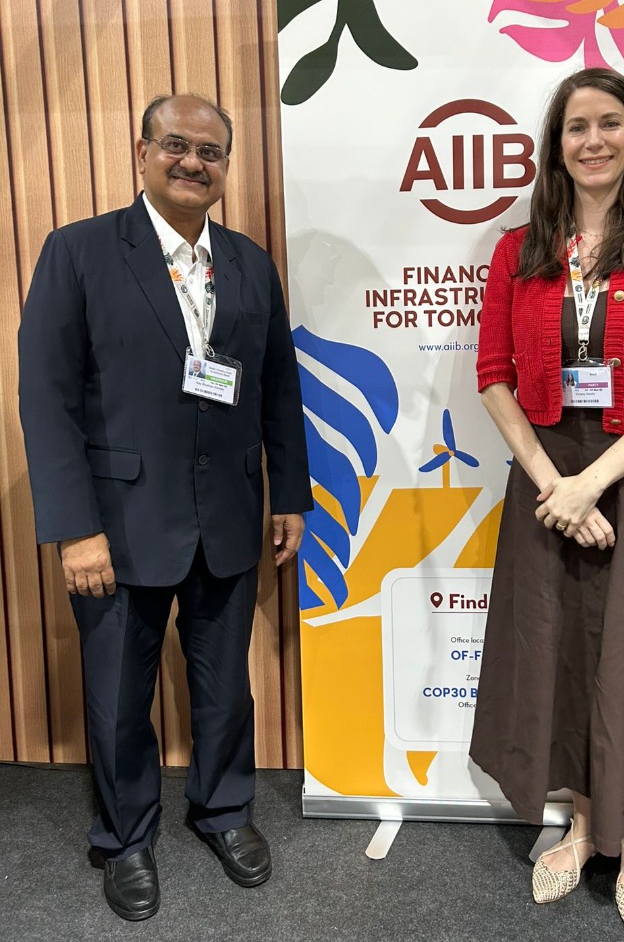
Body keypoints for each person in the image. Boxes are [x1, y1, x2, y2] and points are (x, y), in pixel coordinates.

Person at [18, 94, 313, 921]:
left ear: (226, 167)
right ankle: (124, 838)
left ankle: (223, 810)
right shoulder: (78, 251)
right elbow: (45, 398)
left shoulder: (249, 263)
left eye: (210, 152)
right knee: (119, 694)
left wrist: (289, 495)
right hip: (116, 526)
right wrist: (76, 530)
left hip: (228, 515)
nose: (193, 162)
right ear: (141, 153)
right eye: (176, 145)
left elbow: (277, 387)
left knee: (226, 688)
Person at [470, 68, 624, 933]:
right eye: (576, 127)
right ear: (557, 147)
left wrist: (592, 483)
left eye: (610, 123)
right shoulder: (519, 251)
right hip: (548, 476)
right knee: (563, 650)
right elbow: (493, 376)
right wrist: (557, 485)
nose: (593, 141)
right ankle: (581, 824)